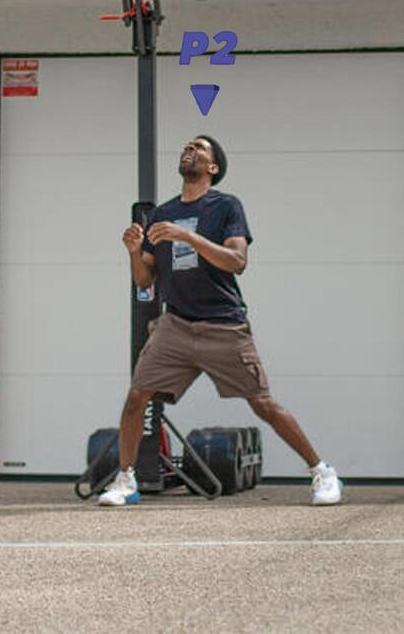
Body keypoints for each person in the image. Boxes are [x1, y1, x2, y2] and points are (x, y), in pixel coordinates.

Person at [98, 134, 342, 508]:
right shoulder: (161, 214)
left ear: (212, 168)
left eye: (199, 148)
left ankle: (321, 471)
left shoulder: (226, 206)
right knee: (136, 397)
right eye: (187, 146)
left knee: (263, 404)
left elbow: (237, 262)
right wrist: (134, 252)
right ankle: (126, 480)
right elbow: (145, 279)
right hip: (175, 326)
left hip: (223, 324)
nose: (189, 149)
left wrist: (188, 236)